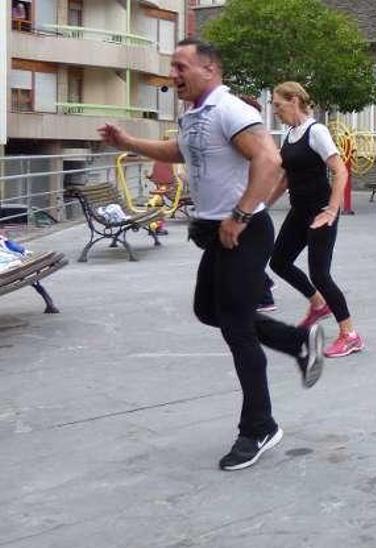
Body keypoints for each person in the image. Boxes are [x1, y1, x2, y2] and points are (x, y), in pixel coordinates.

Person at [98, 38, 324, 471]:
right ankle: (297, 342)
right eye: (172, 67)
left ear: (210, 69)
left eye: (181, 66)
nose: (174, 74)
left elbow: (270, 160)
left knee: (237, 327)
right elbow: (178, 151)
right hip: (218, 234)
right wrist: (126, 140)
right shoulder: (194, 114)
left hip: (244, 231)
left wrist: (239, 215)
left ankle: (259, 426)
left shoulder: (229, 110)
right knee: (208, 310)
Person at [265, 81, 363, 358]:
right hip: (299, 211)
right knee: (279, 262)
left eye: (278, 105)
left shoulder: (315, 131)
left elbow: (340, 171)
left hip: (321, 212)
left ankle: (350, 334)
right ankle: (318, 305)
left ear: (294, 100)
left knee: (320, 274)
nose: (275, 111)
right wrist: (263, 206)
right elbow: (285, 179)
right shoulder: (292, 134)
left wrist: (332, 210)